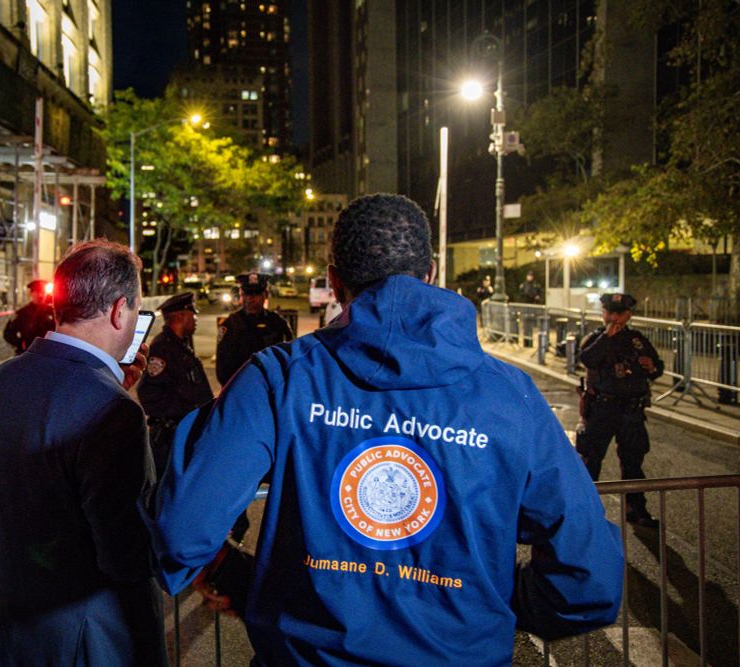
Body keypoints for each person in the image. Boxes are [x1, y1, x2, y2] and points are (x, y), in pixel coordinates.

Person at [145, 194, 623, 665]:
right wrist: (494, 598)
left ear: (334, 282)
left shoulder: (279, 378)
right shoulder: (510, 396)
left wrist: (236, 576)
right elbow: (589, 580)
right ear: (431, 273)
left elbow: (182, 530)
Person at [0, 240, 165, 666]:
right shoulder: (112, 411)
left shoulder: (3, 381)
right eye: (135, 310)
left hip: (16, 630)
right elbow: (126, 554)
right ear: (120, 311)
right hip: (89, 641)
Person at [576, 292, 664, 528]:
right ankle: (584, 510)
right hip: (603, 409)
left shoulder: (636, 339)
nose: (615, 317)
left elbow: (658, 367)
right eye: (610, 312)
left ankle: (636, 509)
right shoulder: (596, 338)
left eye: (620, 313)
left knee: (633, 462)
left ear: (628, 315)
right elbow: (587, 359)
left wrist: (652, 366)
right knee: (591, 461)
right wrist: (606, 337)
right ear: (603, 313)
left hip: (632, 411)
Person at [137, 291, 213, 477]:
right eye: (192, 314)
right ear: (180, 316)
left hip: (185, 435)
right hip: (171, 439)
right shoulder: (163, 347)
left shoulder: (181, 345)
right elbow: (148, 392)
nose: (195, 319)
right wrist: (183, 412)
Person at [215, 272, 293, 387]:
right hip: (242, 389)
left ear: (265, 295)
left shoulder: (277, 322)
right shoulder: (231, 325)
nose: (250, 299)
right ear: (242, 295)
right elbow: (222, 368)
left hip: (270, 388)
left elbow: (288, 358)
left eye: (256, 293)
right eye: (247, 294)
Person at [3, 279, 55, 354]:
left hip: (48, 353)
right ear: (31, 293)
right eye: (37, 292)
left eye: (42, 292)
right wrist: (20, 343)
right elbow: (8, 333)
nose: (40, 295)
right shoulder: (22, 313)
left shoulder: (52, 312)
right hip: (28, 353)